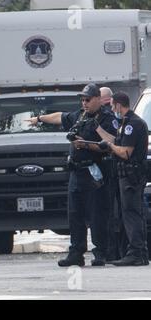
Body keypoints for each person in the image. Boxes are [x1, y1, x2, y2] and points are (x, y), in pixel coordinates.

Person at [26, 83, 117, 267]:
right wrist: (39, 118)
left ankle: (100, 253)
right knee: (75, 214)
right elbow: (60, 116)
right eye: (82, 99)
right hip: (77, 172)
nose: (84, 103)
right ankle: (76, 253)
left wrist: (85, 145)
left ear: (98, 99)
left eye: (88, 99)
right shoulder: (80, 115)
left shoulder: (107, 118)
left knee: (97, 214)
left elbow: (110, 143)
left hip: (95, 172)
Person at [105, 92, 149, 266]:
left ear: (118, 105)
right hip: (128, 176)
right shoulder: (126, 123)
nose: (111, 109)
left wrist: (110, 147)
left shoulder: (133, 124)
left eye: (112, 106)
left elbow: (125, 152)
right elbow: (118, 143)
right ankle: (139, 252)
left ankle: (136, 253)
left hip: (131, 177)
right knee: (132, 213)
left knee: (131, 214)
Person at [98, 87, 127, 261]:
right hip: (108, 171)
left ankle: (117, 251)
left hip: (117, 171)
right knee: (109, 213)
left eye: (108, 103)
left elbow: (115, 141)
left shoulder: (114, 118)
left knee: (118, 214)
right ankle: (112, 250)